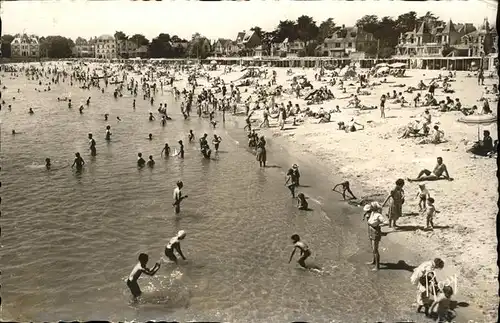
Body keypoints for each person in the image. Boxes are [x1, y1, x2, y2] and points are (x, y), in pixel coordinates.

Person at [363, 202, 388, 271]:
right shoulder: (371, 213)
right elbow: (366, 212)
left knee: (375, 249)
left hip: (375, 231)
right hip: (371, 230)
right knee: (372, 247)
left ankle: (377, 267)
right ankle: (373, 261)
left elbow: (386, 222)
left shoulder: (378, 215)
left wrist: (379, 225)